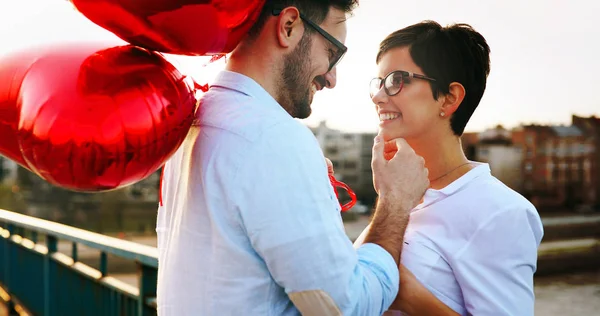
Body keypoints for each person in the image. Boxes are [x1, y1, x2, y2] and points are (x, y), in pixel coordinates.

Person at [155, 1, 433, 315]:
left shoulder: (196, 121)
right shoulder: (272, 136)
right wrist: (396, 202)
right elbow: (347, 307)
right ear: (288, 26)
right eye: (332, 52)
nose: (332, 78)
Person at [355, 21, 545, 315]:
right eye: (378, 83)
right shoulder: (398, 195)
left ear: (450, 97)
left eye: (396, 80)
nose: (379, 96)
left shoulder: (500, 211)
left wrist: (412, 297)